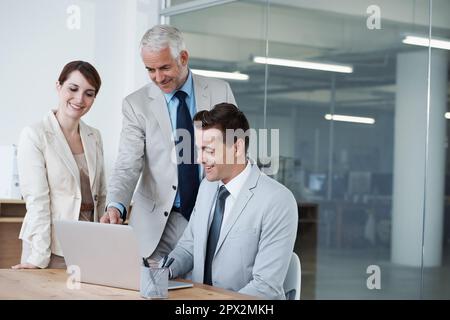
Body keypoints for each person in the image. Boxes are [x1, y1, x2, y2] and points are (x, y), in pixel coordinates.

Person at [101, 25, 236, 262]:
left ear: (183, 58)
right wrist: (116, 205)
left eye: (164, 67)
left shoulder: (219, 91)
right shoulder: (136, 105)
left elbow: (234, 154)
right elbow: (127, 163)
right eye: (150, 70)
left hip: (208, 215)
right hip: (158, 226)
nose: (158, 77)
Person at [166, 103, 298, 299]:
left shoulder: (278, 201)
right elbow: (189, 246)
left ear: (237, 147)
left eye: (209, 150)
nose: (200, 158)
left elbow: (265, 286)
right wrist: (162, 271)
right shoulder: (207, 187)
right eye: (198, 149)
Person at [12, 61, 106, 269]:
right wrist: (38, 257)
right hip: (49, 245)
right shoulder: (35, 135)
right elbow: (37, 201)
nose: (80, 99)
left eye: (89, 93)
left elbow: (101, 194)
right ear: (58, 86)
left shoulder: (94, 136)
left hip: (88, 245)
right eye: (73, 89)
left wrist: (102, 242)